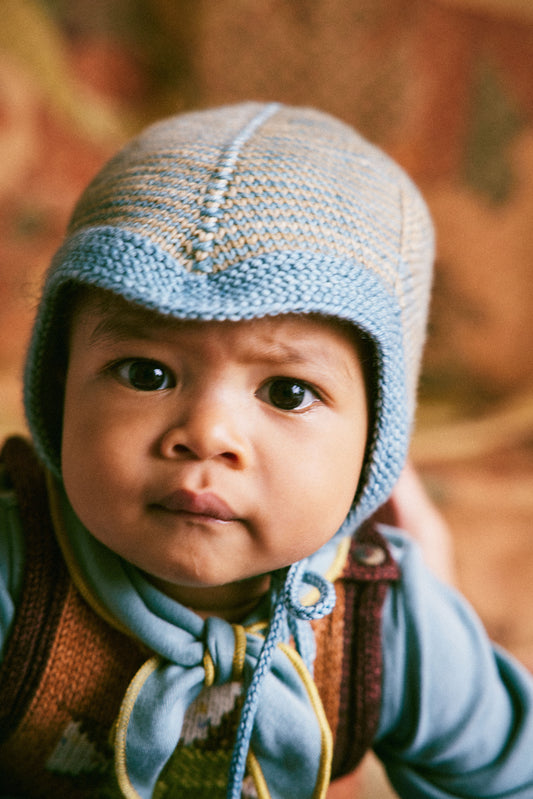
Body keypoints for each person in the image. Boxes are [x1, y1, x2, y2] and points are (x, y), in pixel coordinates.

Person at [0, 102, 532, 799]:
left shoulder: (392, 625)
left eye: (286, 391)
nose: (207, 434)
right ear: (56, 383)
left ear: (377, 438)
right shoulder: (17, 572)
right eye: (145, 373)